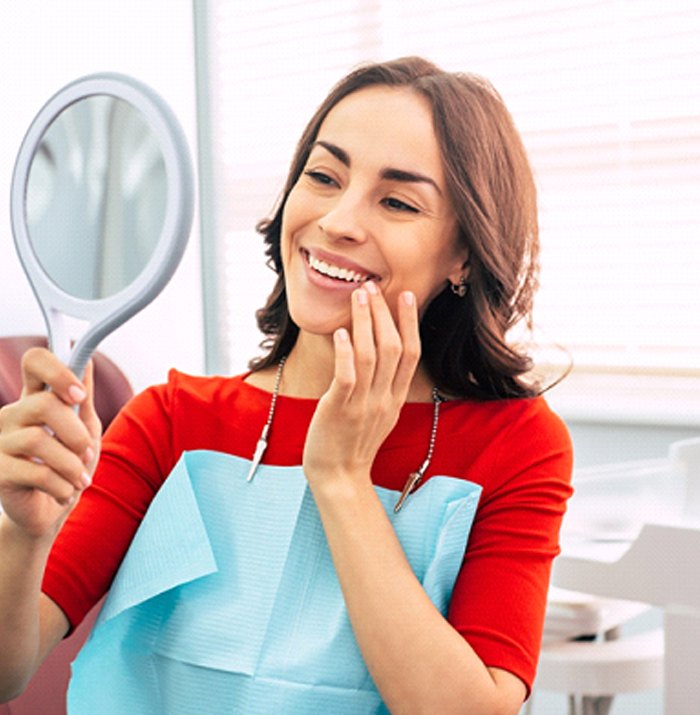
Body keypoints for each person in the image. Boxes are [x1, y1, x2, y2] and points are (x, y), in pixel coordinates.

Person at [0, 57, 572, 714]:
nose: (339, 220)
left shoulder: (517, 445)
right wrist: (22, 534)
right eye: (323, 177)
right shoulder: (173, 421)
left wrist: (340, 477)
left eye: (397, 201)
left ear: (464, 254)